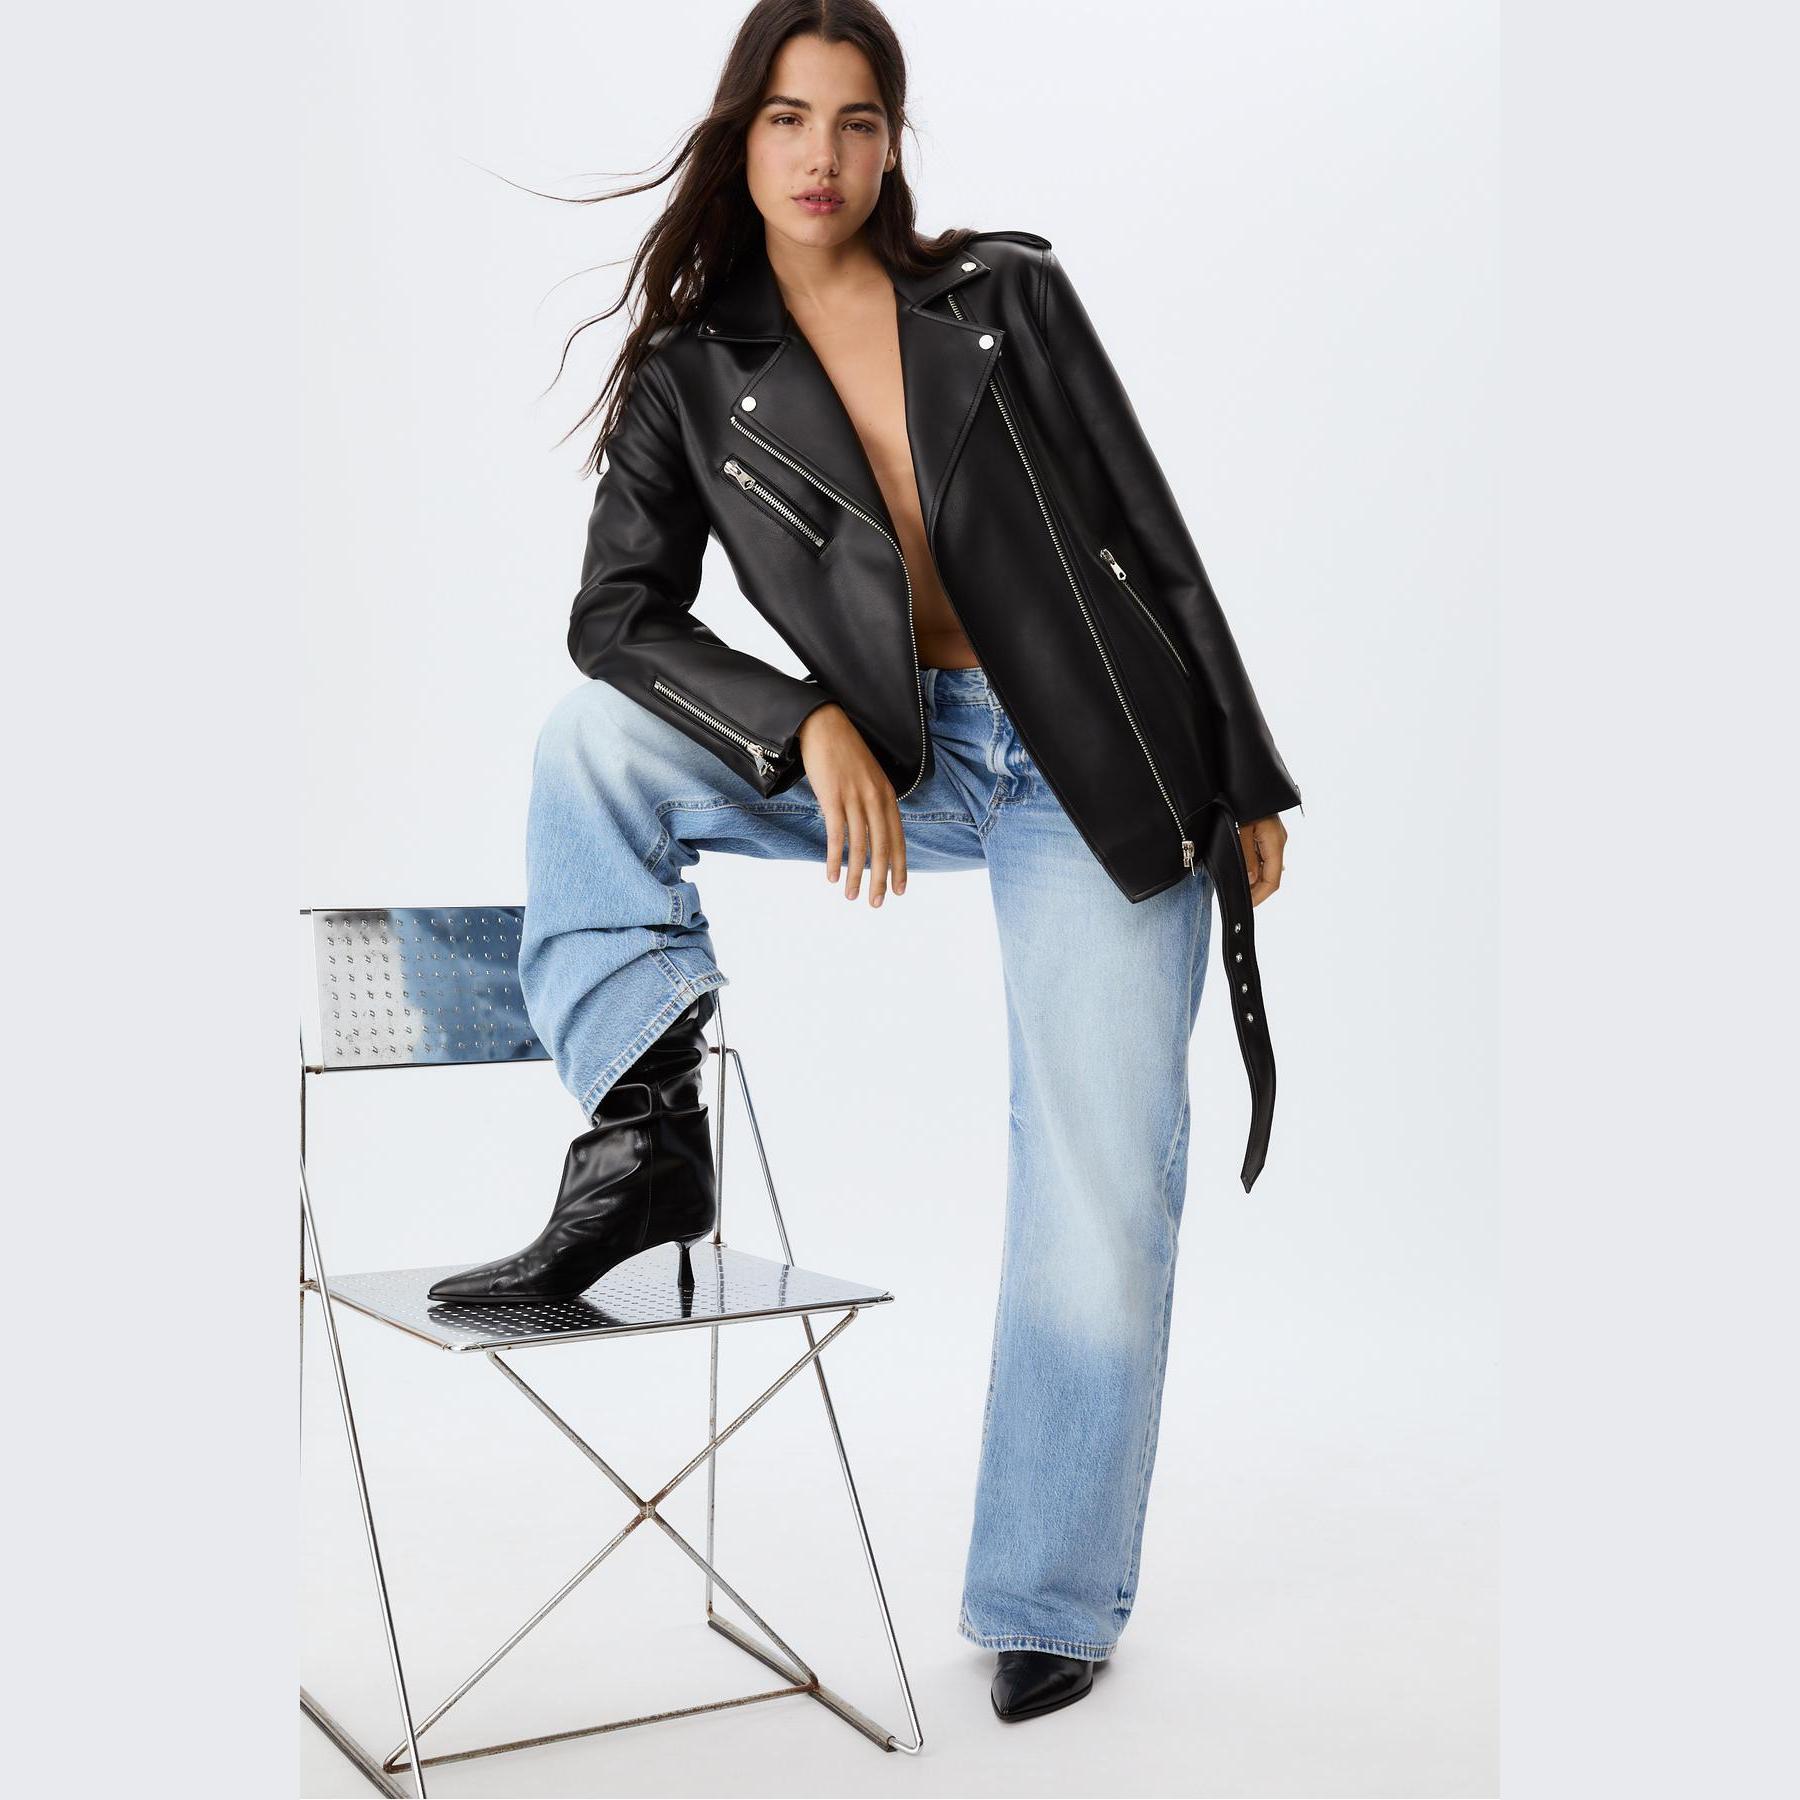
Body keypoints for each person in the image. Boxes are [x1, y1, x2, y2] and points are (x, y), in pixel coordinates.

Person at [428, 0, 1302, 1725]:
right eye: (786, 118)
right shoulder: (696, 376)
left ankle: (1049, 1590)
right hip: (896, 756)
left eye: (854, 121)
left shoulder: (1005, 298)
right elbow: (615, 619)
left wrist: (1243, 768)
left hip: (1087, 755)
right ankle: (643, 1132)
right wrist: (801, 723)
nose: (819, 155)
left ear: (894, 144)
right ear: (740, 137)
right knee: (589, 744)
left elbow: (1153, 536)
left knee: (1099, 1175)